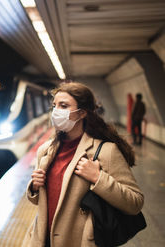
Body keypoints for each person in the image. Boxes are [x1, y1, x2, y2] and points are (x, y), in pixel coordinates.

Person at [23, 82, 144, 247]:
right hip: (43, 239)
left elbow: (135, 203)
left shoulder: (105, 151)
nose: (56, 111)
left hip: (79, 241)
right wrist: (34, 188)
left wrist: (98, 178)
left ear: (82, 113)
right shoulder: (46, 151)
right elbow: (47, 201)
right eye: (54, 105)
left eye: (64, 106)